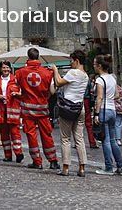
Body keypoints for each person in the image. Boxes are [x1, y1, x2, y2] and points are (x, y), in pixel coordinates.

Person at [15, 47, 59, 170]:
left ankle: (37, 161)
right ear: (38, 57)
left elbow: (16, 88)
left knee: (31, 135)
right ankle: (53, 160)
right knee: (47, 134)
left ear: (28, 57)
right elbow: (52, 91)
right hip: (43, 109)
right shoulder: (47, 73)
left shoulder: (20, 72)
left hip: (27, 110)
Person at [51, 49, 89, 177]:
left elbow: (59, 83)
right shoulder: (85, 75)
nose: (70, 63)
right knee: (79, 138)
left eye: (71, 61)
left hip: (68, 107)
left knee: (65, 139)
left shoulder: (73, 72)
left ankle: (66, 167)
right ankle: (82, 167)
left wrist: (55, 70)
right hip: (79, 108)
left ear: (77, 61)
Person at [92, 55, 122, 175]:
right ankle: (120, 166)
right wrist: (109, 97)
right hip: (113, 110)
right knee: (113, 140)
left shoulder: (100, 80)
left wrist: (96, 114)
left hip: (104, 109)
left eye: (95, 64)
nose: (94, 66)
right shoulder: (112, 78)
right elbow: (116, 95)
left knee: (105, 140)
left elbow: (99, 98)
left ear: (99, 66)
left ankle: (108, 166)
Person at [0, 61, 23, 163]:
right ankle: (7, 155)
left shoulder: (16, 80)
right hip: (1, 110)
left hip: (12, 109)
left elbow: (22, 94)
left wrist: (16, 93)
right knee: (4, 134)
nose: (5, 70)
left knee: (15, 132)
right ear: (0, 69)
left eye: (7, 67)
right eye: (4, 68)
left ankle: (18, 153)